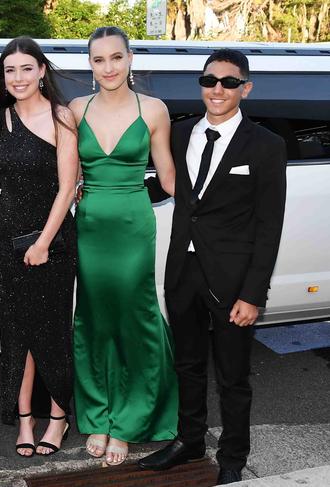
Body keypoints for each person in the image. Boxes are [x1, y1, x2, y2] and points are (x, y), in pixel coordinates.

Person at [138, 49, 287, 485]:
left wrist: (253, 295)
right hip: (182, 272)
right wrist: (96, 191)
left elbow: (268, 226)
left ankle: (233, 457)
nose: (217, 89)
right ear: (200, 84)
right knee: (186, 365)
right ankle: (189, 440)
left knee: (233, 376)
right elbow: (163, 185)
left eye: (228, 82)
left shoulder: (266, 145)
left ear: (246, 88)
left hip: (232, 280)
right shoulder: (180, 133)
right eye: (209, 80)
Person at [69, 26, 179, 466]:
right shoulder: (75, 108)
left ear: (130, 59)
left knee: (135, 318)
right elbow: (63, 175)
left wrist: (215, 197)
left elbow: (168, 176)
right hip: (91, 225)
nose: (108, 67)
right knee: (93, 318)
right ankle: (97, 413)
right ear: (90, 65)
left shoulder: (154, 109)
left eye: (116, 57)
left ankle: (131, 420)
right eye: (99, 60)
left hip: (134, 223)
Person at [0, 36, 78, 457]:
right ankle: (25, 419)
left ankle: (58, 419)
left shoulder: (61, 116)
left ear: (42, 71)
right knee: (17, 333)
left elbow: (67, 188)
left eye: (27, 68)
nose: (18, 77)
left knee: (53, 331)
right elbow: (0, 176)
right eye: (10, 70)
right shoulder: (0, 119)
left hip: (52, 241)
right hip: (7, 240)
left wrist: (44, 241)